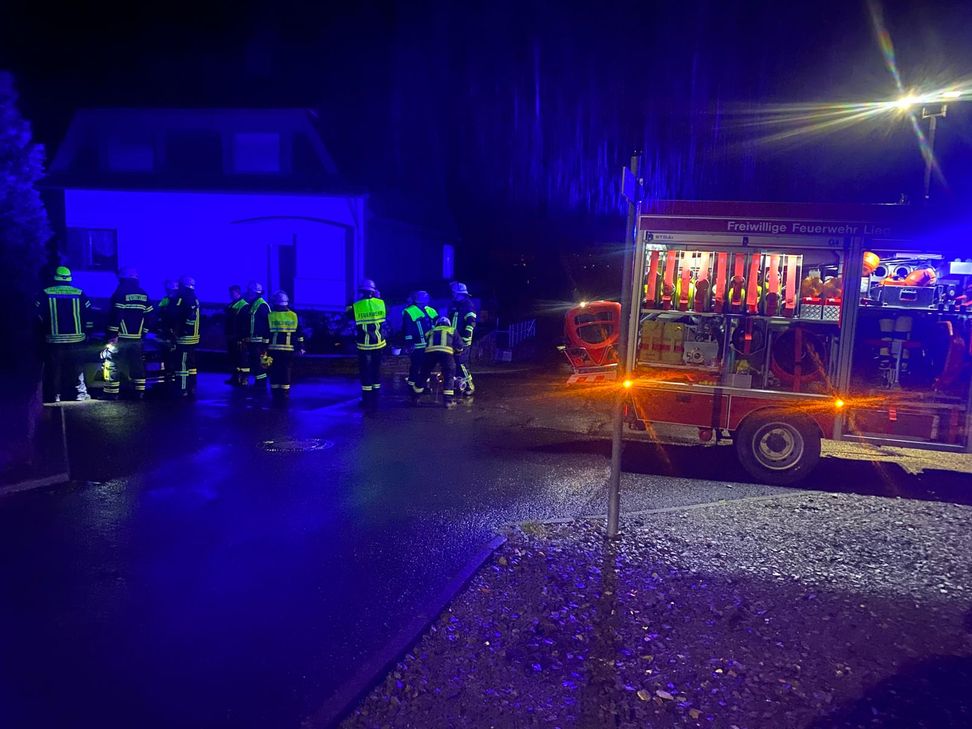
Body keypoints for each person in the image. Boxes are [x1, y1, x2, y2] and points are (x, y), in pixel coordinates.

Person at [34, 265, 93, 402]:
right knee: (77, 368)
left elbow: (36, 315)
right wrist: (88, 332)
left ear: (55, 277)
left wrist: (42, 331)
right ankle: (79, 394)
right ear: (70, 278)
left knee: (54, 369)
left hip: (54, 340)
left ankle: (55, 395)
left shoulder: (45, 293)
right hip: (77, 340)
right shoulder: (79, 293)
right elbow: (89, 315)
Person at [103, 267, 153, 399]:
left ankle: (112, 392)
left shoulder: (120, 292)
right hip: (137, 338)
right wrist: (143, 332)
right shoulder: (143, 293)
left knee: (113, 362)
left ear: (123, 277)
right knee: (137, 364)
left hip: (120, 337)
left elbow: (116, 315)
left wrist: (112, 335)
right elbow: (150, 315)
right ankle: (139, 391)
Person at [347, 278, 386, 407]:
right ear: (373, 291)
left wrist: (352, 300)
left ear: (361, 291)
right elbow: (387, 314)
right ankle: (376, 393)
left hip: (364, 344)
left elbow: (348, 315)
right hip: (379, 343)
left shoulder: (357, 306)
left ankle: (366, 397)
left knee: (365, 370)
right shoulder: (381, 303)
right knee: (376, 369)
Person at [411, 316, 458, 408]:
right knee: (449, 375)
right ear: (448, 324)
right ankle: (448, 401)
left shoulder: (430, 331)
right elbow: (459, 346)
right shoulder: (452, 330)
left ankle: (415, 397)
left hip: (430, 353)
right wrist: (456, 353)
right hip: (446, 354)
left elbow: (425, 342)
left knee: (423, 374)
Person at [267, 290, 305, 399]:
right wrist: (301, 346)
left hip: (273, 348)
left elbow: (266, 333)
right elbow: (299, 333)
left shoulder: (271, 315)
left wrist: (263, 348)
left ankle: (275, 391)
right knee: (286, 370)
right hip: (289, 349)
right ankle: (285, 392)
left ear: (275, 302)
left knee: (274, 370)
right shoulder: (293, 316)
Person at [167, 275, 200, 397]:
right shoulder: (192, 296)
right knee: (191, 364)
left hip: (185, 338)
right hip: (192, 337)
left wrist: (181, 331)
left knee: (182, 364)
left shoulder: (185, 296)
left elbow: (188, 317)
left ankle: (183, 388)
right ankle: (191, 387)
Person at [401, 290, 437, 390]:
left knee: (426, 366)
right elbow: (407, 329)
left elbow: (436, 325)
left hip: (429, 344)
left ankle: (423, 385)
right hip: (417, 345)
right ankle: (412, 386)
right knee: (416, 366)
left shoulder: (431, 310)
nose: (427, 300)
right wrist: (409, 343)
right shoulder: (409, 311)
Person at [448, 281, 478, 396]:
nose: (452, 294)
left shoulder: (467, 305)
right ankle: (459, 385)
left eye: (453, 292)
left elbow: (471, 323)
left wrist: (466, 339)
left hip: (462, 341)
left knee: (461, 363)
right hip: (453, 340)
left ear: (460, 293)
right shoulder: (454, 305)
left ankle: (470, 386)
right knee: (454, 364)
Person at [242, 281, 271, 389]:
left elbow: (267, 325)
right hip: (253, 340)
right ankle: (259, 383)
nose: (248, 294)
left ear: (255, 293)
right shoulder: (253, 304)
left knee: (260, 363)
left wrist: (265, 342)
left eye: (250, 292)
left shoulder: (262, 305)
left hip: (260, 341)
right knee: (255, 363)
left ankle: (261, 384)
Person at [224, 284, 247, 385]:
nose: (231, 295)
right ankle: (234, 377)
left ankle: (243, 379)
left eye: (233, 293)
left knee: (241, 358)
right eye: (231, 293)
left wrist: (241, 336)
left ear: (238, 293)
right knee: (233, 358)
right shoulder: (231, 305)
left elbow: (243, 323)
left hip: (238, 336)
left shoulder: (243, 305)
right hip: (231, 336)